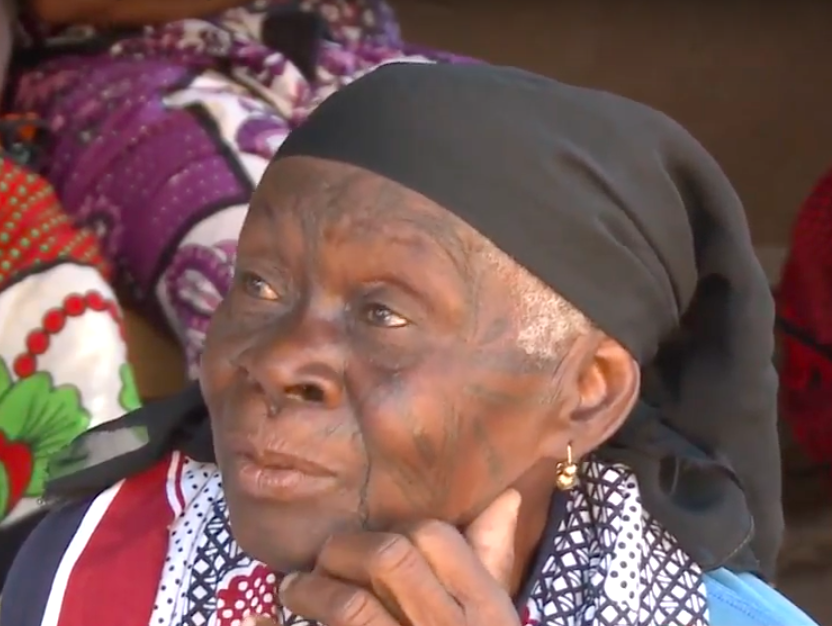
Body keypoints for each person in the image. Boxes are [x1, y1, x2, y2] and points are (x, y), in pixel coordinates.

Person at [1, 63, 818, 626]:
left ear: (588, 392)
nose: (279, 361)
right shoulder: (85, 568)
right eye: (260, 286)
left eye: (383, 314)